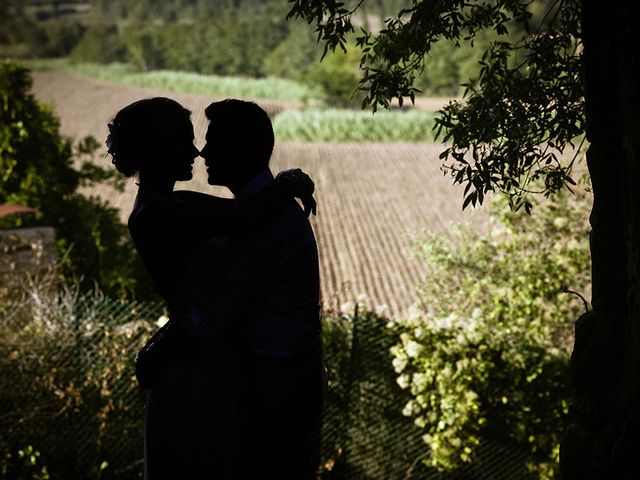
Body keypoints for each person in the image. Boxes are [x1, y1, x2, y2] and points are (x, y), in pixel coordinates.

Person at [106, 96, 316, 479]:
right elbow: (243, 217)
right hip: (198, 363)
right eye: (185, 142)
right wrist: (286, 183)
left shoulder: (168, 205)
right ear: (159, 149)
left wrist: (159, 345)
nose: (196, 150)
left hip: (203, 359)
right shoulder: (165, 211)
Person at [184, 99, 327, 480]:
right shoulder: (258, 212)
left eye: (214, 142)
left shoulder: (267, 222)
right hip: (278, 381)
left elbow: (216, 311)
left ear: (241, 150)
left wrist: (159, 350)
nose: (204, 151)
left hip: (275, 388)